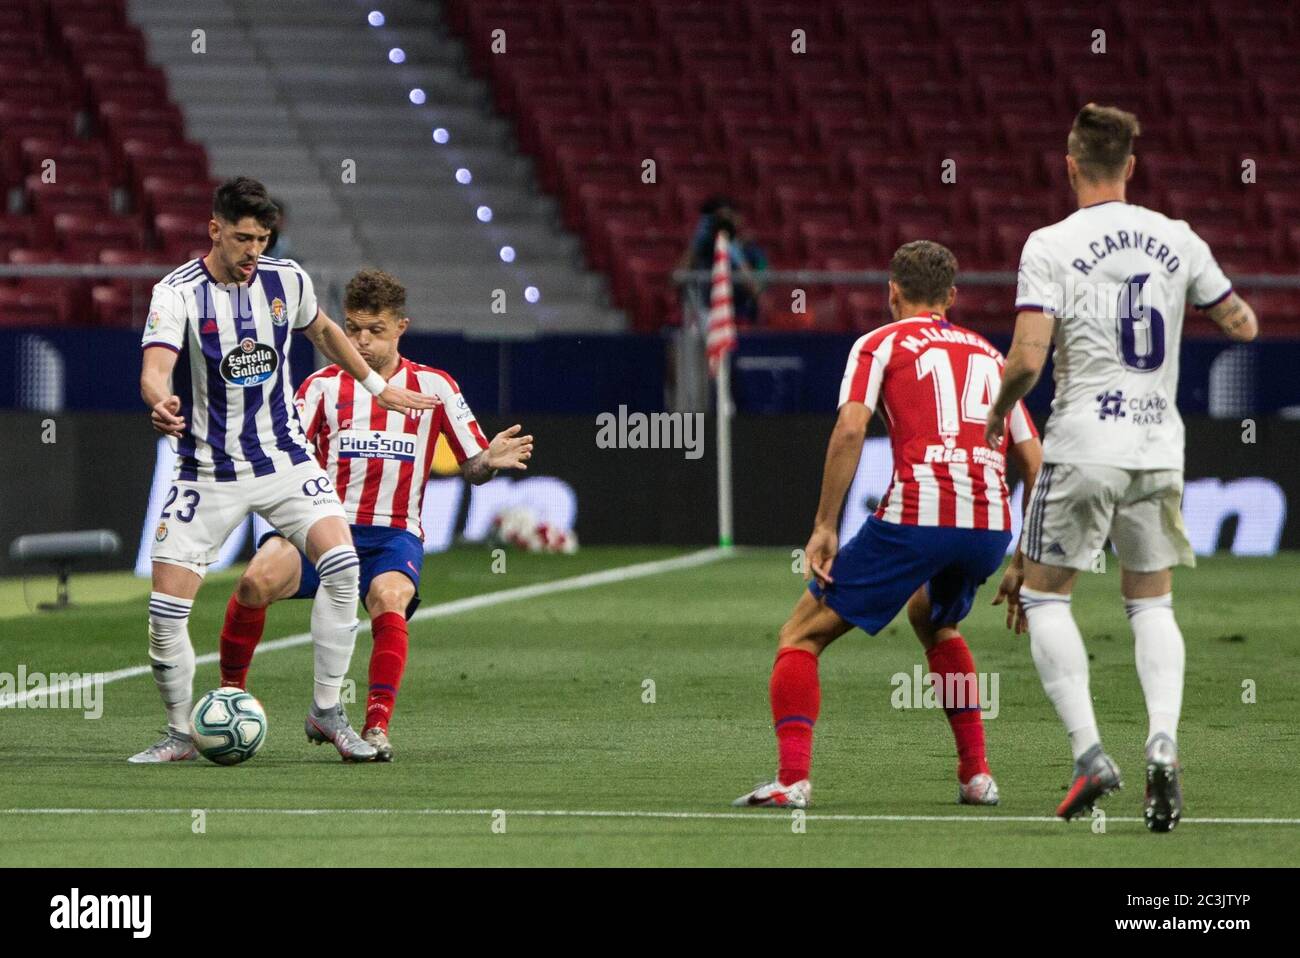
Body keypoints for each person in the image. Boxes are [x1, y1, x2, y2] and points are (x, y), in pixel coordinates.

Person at [985, 104, 1259, 830]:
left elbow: (1026, 359)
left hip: (1081, 444)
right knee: (1151, 605)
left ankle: (1089, 754)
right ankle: (1162, 744)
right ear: (1131, 167)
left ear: (1070, 165)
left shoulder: (1050, 243)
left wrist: (993, 416)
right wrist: (1210, 308)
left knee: (1045, 599)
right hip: (1157, 448)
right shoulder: (1179, 237)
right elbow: (1242, 323)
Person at [134, 176, 436, 764]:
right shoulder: (176, 293)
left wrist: (376, 385)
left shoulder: (285, 278)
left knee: (343, 566)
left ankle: (327, 712)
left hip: (285, 460)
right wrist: (158, 400)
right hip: (207, 469)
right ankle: (178, 733)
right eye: (243, 238)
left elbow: (322, 330)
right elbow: (156, 366)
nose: (253, 251)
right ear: (214, 229)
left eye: (263, 239)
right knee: (166, 610)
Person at [733, 240, 1042, 809]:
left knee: (800, 634)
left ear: (892, 293)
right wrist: (1026, 551)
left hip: (920, 512)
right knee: (933, 618)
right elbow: (1034, 461)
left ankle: (791, 780)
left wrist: (825, 525)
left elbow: (851, 431)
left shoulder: (878, 343)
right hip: (990, 522)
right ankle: (976, 775)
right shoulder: (990, 354)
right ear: (951, 297)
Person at [217, 268, 534, 760]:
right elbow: (286, 456)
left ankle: (375, 726)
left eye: (375, 331)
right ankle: (229, 696)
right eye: (353, 329)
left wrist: (487, 462)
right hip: (320, 526)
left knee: (389, 596)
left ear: (400, 327)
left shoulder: (435, 387)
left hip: (393, 534)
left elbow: (471, 467)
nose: (362, 342)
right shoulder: (323, 387)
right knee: (254, 582)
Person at [680, 196, 767, 323]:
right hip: (705, 317)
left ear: (738, 220)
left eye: (728, 219)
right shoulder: (700, 250)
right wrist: (695, 245)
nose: (723, 225)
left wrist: (736, 255)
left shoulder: (753, 252)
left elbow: (756, 291)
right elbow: (675, 279)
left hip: (740, 319)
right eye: (717, 220)